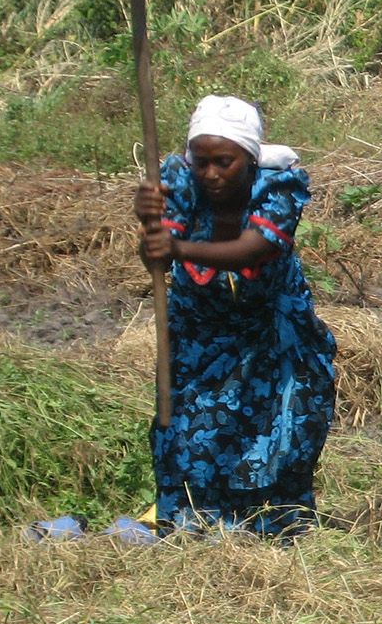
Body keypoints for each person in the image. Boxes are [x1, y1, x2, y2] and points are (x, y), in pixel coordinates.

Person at [133, 95, 336, 535]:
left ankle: (270, 524)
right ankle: (192, 522)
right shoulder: (178, 185)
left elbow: (259, 248)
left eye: (224, 162)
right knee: (189, 435)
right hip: (197, 341)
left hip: (271, 339)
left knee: (280, 435)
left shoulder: (277, 188)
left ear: (249, 157)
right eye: (201, 161)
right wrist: (148, 224)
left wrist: (180, 248)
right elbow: (157, 258)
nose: (211, 174)